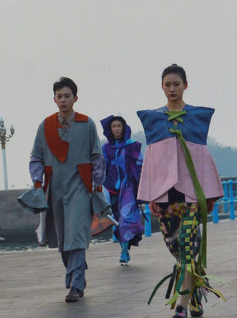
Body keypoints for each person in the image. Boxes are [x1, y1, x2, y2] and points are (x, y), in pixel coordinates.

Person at [137, 64, 224, 318]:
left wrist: (209, 194)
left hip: (190, 195)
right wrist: (151, 194)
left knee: (187, 247)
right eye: (167, 84)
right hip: (165, 196)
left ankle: (181, 307)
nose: (172, 89)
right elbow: (151, 160)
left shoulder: (196, 117)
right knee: (176, 249)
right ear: (162, 87)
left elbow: (202, 158)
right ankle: (195, 297)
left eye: (176, 84)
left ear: (186, 85)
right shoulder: (153, 119)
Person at [28, 77, 105, 303]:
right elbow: (36, 157)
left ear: (75, 98)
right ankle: (77, 273)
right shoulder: (46, 126)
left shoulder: (87, 124)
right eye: (59, 96)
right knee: (63, 240)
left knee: (77, 235)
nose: (63, 100)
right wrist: (37, 182)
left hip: (80, 186)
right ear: (54, 99)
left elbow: (97, 157)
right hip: (55, 189)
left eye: (67, 96)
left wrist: (97, 184)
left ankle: (75, 285)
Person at [100, 115, 144, 266]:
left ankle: (124, 251)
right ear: (110, 129)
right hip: (111, 188)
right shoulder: (106, 148)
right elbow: (102, 167)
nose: (116, 129)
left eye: (119, 126)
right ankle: (123, 247)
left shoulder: (132, 146)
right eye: (114, 126)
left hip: (129, 188)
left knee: (126, 219)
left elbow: (140, 165)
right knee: (116, 220)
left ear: (123, 128)